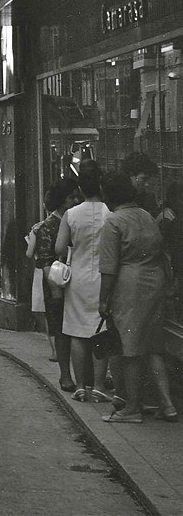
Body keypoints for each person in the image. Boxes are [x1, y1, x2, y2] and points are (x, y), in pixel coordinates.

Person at [99, 170, 177, 423]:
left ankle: (131, 408)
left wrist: (103, 300)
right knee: (151, 345)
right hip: (154, 283)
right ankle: (157, 402)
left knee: (129, 348)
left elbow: (108, 268)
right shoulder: (145, 215)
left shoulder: (114, 221)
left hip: (129, 285)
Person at [54, 160, 111, 402]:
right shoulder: (111, 213)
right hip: (103, 278)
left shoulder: (71, 214)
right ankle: (98, 385)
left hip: (77, 278)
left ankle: (79, 386)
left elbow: (59, 247)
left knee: (77, 333)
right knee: (101, 332)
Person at [34, 179, 78, 391]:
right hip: (57, 283)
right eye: (71, 198)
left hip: (74, 282)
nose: (75, 201)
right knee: (60, 329)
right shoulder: (49, 226)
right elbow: (43, 260)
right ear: (62, 202)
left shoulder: (72, 220)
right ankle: (65, 375)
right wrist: (54, 288)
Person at [27, 189, 57, 363]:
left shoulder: (38, 228)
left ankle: (55, 351)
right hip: (64, 271)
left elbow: (29, 253)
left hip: (43, 272)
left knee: (49, 313)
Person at [120, 152, 160, 217]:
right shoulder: (117, 197)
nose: (147, 184)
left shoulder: (148, 198)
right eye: (144, 179)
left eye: (149, 179)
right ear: (131, 175)